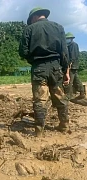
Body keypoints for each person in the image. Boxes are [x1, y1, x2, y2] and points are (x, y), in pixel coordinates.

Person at [19, 7, 70, 137]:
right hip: (56, 67)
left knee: (40, 100)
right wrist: (66, 71)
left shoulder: (29, 29)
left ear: (34, 17)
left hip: (38, 68)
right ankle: (64, 126)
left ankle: (39, 131)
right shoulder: (58, 27)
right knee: (60, 97)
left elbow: (23, 52)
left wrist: (33, 60)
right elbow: (64, 52)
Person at [64, 32, 85, 99]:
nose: (67, 40)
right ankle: (82, 93)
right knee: (76, 79)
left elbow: (72, 57)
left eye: (68, 38)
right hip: (74, 65)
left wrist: (69, 66)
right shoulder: (69, 45)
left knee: (69, 80)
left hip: (72, 65)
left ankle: (68, 95)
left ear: (71, 39)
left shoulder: (73, 45)